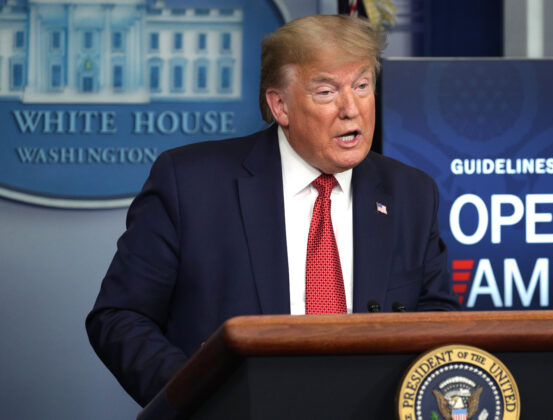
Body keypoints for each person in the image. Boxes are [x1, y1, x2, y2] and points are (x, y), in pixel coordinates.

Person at [86, 14, 460, 407]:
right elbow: (119, 317)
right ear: (280, 105)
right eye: (326, 92)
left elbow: (436, 321)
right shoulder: (191, 185)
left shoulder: (410, 194)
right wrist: (197, 396)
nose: (352, 109)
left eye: (362, 86)